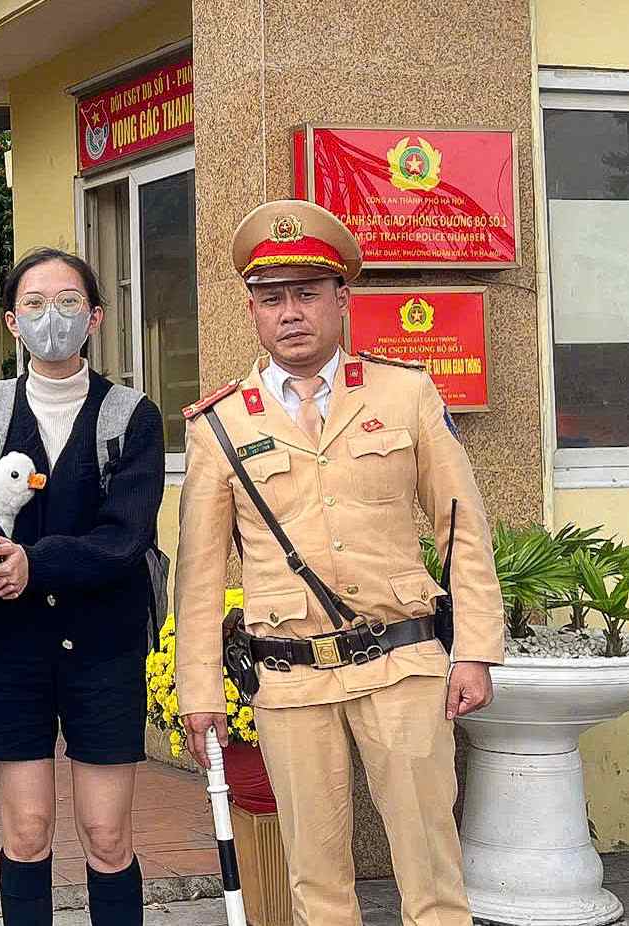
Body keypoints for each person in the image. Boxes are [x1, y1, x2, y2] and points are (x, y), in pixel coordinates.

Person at [173, 200, 505, 926]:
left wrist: (475, 649)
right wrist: (198, 690)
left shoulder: (405, 394)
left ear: (340, 299)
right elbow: (197, 578)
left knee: (432, 872)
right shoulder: (220, 426)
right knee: (317, 885)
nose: (290, 312)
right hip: (291, 680)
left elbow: (462, 532)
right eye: (271, 298)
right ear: (253, 312)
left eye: (306, 293)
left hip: (402, 663)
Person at [0, 248, 166, 926]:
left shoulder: (131, 416)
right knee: (26, 833)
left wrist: (37, 562)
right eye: (33, 304)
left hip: (105, 651)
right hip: (12, 649)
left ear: (96, 316)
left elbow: (126, 534)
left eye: (67, 302)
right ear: (11, 321)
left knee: (108, 838)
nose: (51, 317)